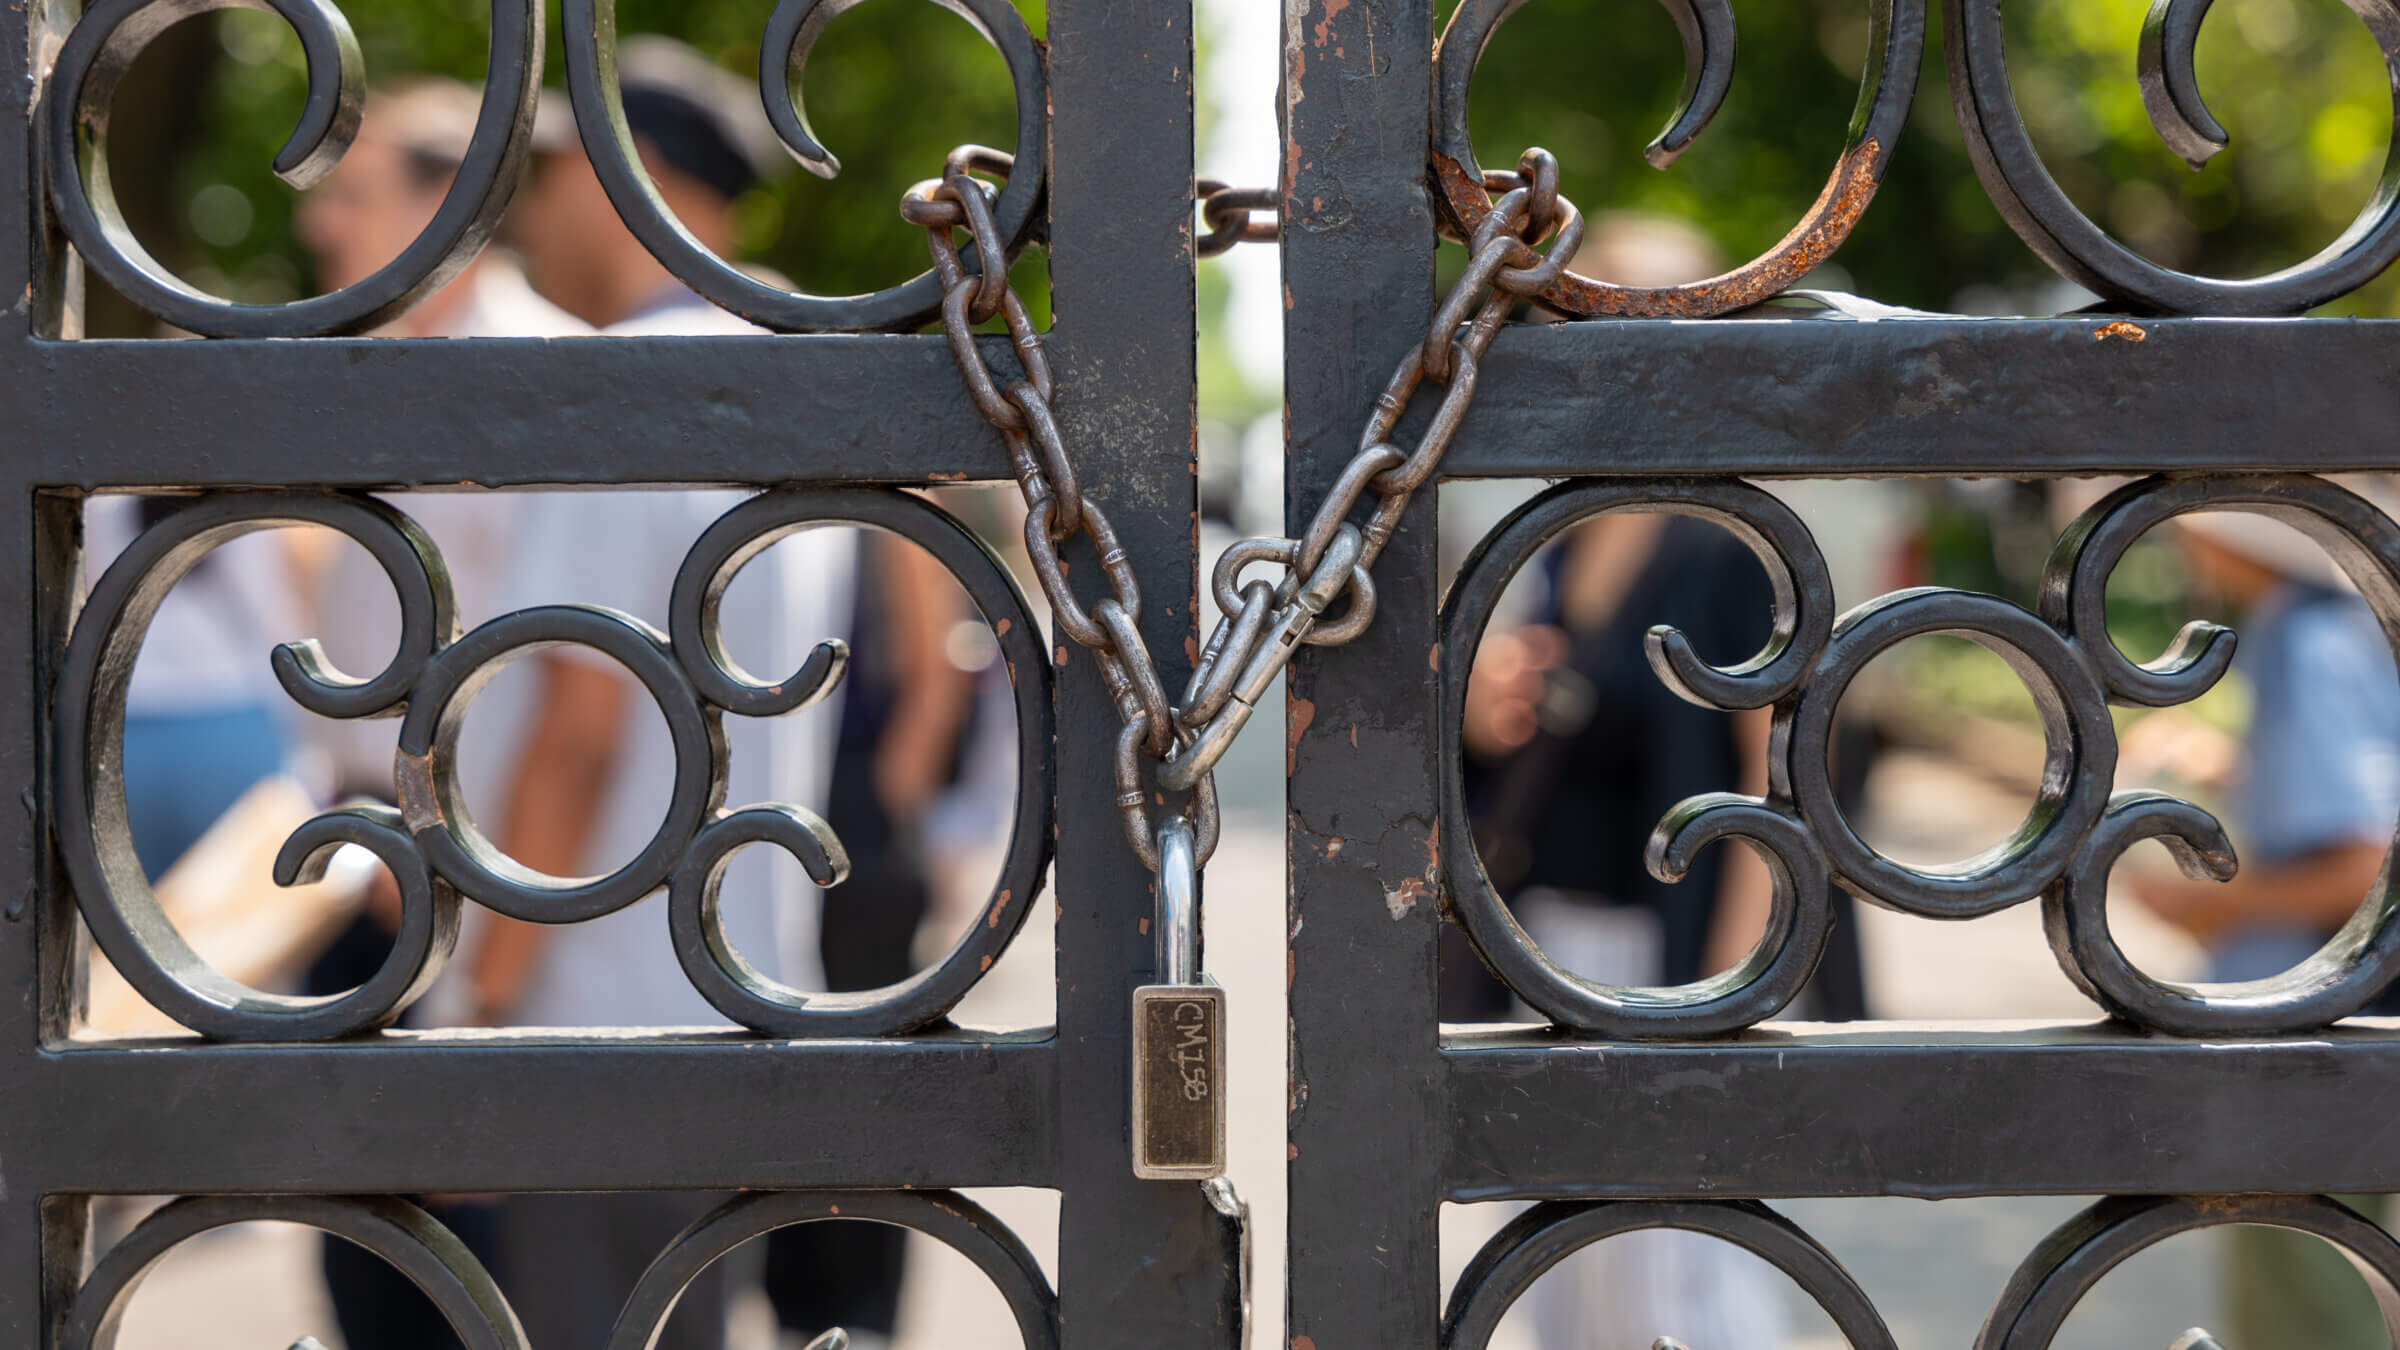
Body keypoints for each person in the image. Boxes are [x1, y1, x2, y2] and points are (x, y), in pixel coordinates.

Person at [475, 38, 857, 1350]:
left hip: (598, 1014)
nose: (525, 206)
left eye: (546, 171)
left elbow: (580, 728)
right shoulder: (783, 385)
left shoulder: (627, 394)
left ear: (620, 175)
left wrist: (480, 999)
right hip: (742, 993)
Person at [287, 78, 590, 1350]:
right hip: (357, 867)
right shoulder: (353, 380)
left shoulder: (548, 380)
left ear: (447, 204)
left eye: (354, 195)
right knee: (360, 1260)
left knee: (481, 1275)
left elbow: (574, 678)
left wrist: (480, 902)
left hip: (486, 884)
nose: (321, 230)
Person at [2128, 503, 2400, 1350]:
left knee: (2310, 1295)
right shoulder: (2328, 625)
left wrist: (2209, 905)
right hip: (2315, 1035)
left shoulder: (2307, 641)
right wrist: (2238, 765)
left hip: (2309, 1041)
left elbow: (2365, 864)